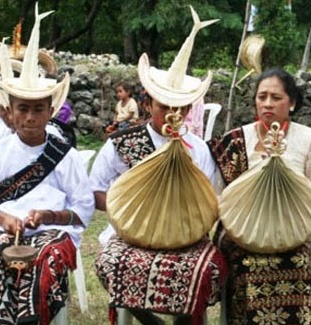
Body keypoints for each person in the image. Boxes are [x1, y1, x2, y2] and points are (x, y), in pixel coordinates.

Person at [0, 5, 95, 324]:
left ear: (51, 110)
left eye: (38, 109)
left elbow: (83, 209)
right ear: (11, 111)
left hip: (54, 231)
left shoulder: (66, 154)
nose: (30, 117)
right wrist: (1, 218)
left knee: (47, 260)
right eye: (23, 109)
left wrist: (51, 215)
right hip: (2, 227)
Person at [92, 7, 226, 325]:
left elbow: (212, 200)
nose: (170, 113)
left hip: (186, 238)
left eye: (179, 106)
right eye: (163, 105)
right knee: (111, 264)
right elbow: (96, 189)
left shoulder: (198, 148)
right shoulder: (122, 143)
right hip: (131, 236)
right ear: (148, 103)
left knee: (209, 269)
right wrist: (129, 210)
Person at [208, 67, 311, 324]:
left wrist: (294, 225)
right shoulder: (237, 140)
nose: (267, 104)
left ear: (292, 103)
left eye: (276, 97)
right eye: (262, 97)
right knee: (246, 263)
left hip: (295, 229)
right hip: (242, 230)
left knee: (297, 261)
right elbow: (220, 197)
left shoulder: (307, 139)